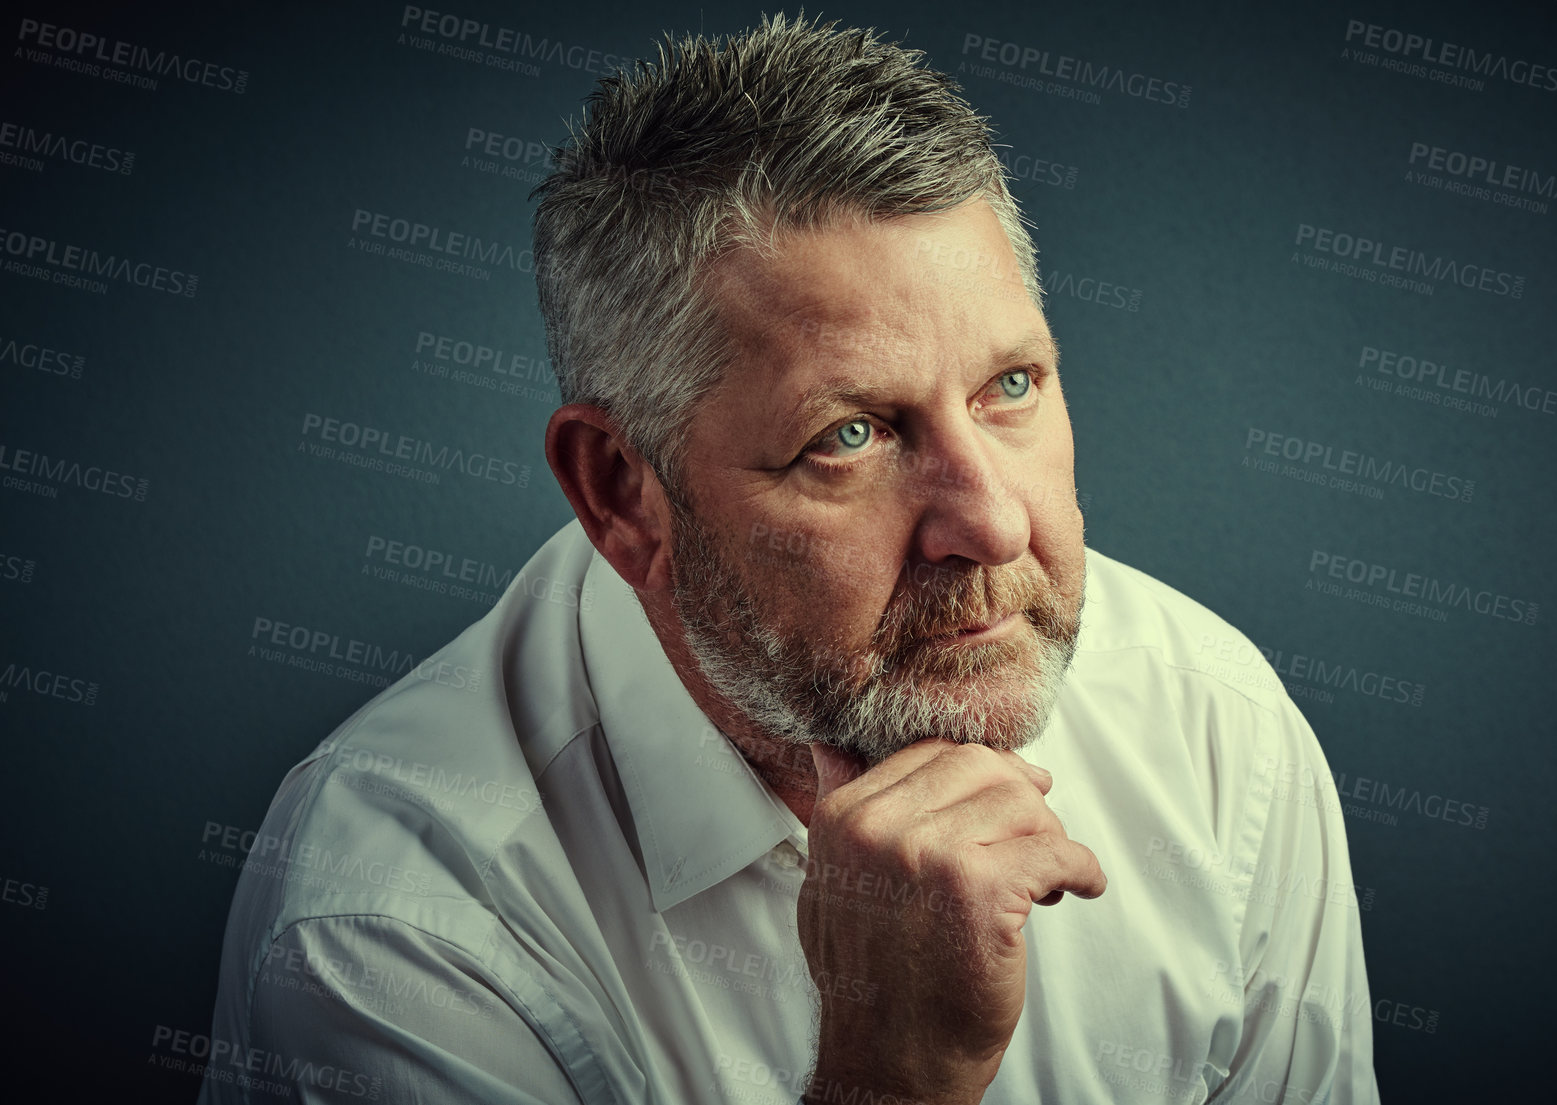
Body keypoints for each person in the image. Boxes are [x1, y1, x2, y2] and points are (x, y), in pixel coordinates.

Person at [199, 13, 1379, 1104]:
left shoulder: (1218, 737)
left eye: (1009, 386)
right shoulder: (390, 930)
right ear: (623, 494)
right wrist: (890, 1078)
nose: (994, 525)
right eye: (849, 437)